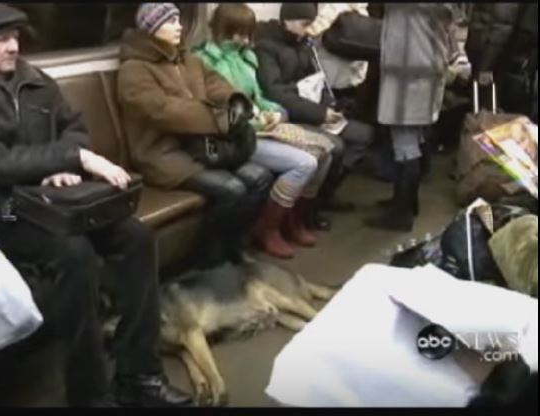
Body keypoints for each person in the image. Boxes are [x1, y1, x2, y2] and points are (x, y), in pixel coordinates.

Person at [0, 4, 192, 407]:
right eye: (0, 39)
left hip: (57, 200)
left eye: (16, 37)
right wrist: (65, 160)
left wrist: (63, 166)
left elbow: (76, 131)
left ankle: (139, 374)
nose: (13, 47)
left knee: (136, 236)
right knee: (74, 253)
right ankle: (90, 393)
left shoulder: (37, 82)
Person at [117, 3, 273, 267]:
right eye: (170, 21)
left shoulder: (188, 59)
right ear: (152, 28)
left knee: (260, 178)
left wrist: (237, 103)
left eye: (179, 19)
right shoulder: (134, 70)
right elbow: (165, 111)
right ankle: (209, 261)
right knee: (232, 189)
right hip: (163, 155)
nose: (179, 26)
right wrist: (221, 120)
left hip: (202, 146)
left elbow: (216, 85)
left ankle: (233, 245)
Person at [194, 3, 334, 258]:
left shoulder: (245, 56)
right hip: (235, 137)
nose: (246, 39)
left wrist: (276, 112)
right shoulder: (205, 62)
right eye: (241, 33)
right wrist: (259, 120)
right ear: (226, 30)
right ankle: (268, 228)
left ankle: (293, 220)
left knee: (325, 151)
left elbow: (257, 97)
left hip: (259, 126)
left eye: (249, 33)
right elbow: (219, 113)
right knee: (304, 163)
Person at [255, 3, 377, 221]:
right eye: (305, 24)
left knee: (363, 135)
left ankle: (323, 195)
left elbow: (315, 80)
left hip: (309, 108)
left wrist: (331, 105)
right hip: (290, 114)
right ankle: (305, 209)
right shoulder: (267, 48)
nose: (309, 29)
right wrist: (320, 114)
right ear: (287, 20)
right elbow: (277, 93)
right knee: (335, 147)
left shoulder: (303, 44)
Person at [364, 4, 455, 232]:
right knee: (416, 140)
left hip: (407, 75)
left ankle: (401, 215)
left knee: (406, 146)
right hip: (427, 71)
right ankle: (406, 202)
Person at [465, 3, 538, 118]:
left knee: (484, 90)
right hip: (504, 45)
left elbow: (501, 21)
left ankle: (483, 123)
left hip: (493, 46)